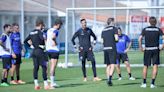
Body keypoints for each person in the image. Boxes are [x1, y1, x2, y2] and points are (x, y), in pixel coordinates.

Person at [24, 20, 52, 90]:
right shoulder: (40, 32)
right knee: (44, 67)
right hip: (40, 51)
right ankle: (46, 85)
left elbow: (25, 41)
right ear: (40, 25)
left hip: (34, 52)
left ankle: (36, 84)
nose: (43, 27)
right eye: (42, 25)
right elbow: (43, 39)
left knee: (36, 67)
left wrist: (31, 46)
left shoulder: (31, 32)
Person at [139, 16, 164, 88]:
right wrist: (162, 47)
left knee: (145, 66)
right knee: (155, 66)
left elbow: (139, 39)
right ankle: (152, 84)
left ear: (149, 22)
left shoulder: (145, 29)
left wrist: (141, 47)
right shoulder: (158, 29)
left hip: (147, 49)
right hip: (155, 49)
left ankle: (144, 83)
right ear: (155, 22)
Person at [101, 18, 118, 86]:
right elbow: (116, 38)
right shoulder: (114, 29)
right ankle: (110, 79)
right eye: (114, 22)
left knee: (107, 65)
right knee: (113, 64)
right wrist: (115, 41)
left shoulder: (103, 30)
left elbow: (102, 41)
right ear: (112, 22)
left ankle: (108, 79)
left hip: (105, 48)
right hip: (112, 48)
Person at [46, 18, 63, 87]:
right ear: (58, 25)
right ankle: (52, 83)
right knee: (53, 66)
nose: (60, 27)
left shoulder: (49, 30)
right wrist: (55, 42)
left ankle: (50, 81)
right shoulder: (56, 31)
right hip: (54, 50)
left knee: (50, 66)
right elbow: (53, 37)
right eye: (60, 25)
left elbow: (45, 38)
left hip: (48, 50)